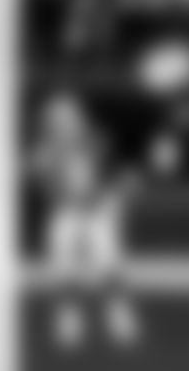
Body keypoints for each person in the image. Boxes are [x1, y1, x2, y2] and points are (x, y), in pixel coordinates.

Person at [29, 92, 140, 350]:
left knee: (109, 264)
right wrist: (57, 190)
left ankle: (119, 315)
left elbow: (115, 175)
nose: (63, 123)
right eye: (57, 119)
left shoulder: (98, 141)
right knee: (64, 266)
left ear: (78, 118)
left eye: (68, 117)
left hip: (97, 210)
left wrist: (112, 199)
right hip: (66, 211)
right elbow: (44, 187)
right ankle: (69, 318)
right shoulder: (44, 150)